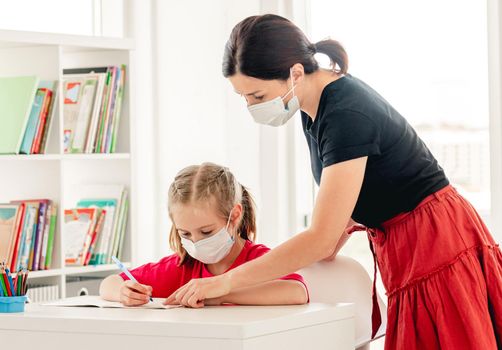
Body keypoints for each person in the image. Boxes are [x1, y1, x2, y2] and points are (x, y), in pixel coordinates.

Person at [165, 14, 502, 350]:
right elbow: (354, 203)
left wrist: (224, 282)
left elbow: (321, 238)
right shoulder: (315, 108)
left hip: (435, 240)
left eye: (256, 95)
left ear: (295, 73)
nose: (251, 107)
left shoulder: (345, 113)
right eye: (244, 97)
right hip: (407, 243)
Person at [100, 162, 308, 307]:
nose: (197, 242)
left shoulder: (257, 260)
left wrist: (220, 294)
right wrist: (124, 292)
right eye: (185, 233)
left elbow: (297, 292)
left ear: (234, 216)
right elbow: (109, 283)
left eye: (206, 231)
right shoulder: (183, 267)